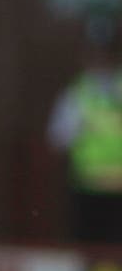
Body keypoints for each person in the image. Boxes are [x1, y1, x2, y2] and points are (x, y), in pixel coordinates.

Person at [47, 15, 122, 243]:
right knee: (89, 253)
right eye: (96, 53)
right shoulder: (76, 94)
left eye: (106, 54)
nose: (101, 61)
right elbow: (58, 138)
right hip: (87, 191)